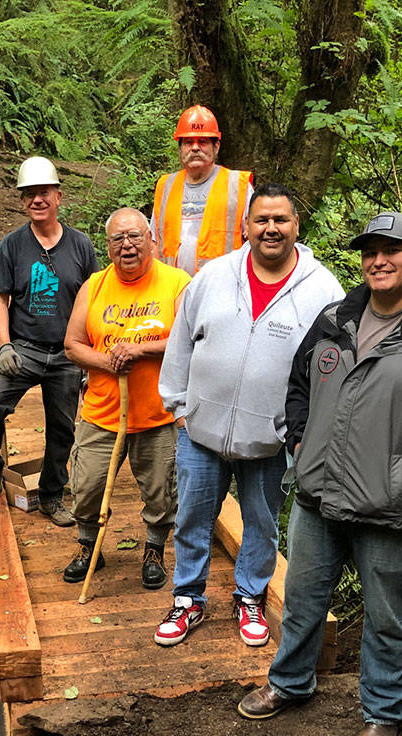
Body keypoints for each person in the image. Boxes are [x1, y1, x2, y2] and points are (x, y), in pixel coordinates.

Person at [237, 213, 402, 736]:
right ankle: (290, 683)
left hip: (391, 510)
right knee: (301, 600)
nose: (379, 260)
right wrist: (298, 440)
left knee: (387, 614)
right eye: (370, 250)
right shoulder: (336, 319)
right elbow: (298, 385)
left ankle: (383, 713)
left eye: (393, 249)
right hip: (318, 496)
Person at [155, 183, 343, 647]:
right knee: (192, 517)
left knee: (261, 521)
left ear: (297, 226)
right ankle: (188, 599)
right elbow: (181, 340)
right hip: (200, 431)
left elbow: (331, 367)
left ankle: (250, 598)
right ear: (246, 227)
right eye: (262, 220)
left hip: (271, 438)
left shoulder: (323, 289)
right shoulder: (214, 276)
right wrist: (178, 407)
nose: (271, 229)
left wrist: (300, 433)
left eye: (281, 220)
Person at [61, 208, 191, 586]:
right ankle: (88, 544)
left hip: (157, 414)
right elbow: (71, 344)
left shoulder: (176, 282)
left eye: (134, 236)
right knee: (85, 486)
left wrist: (139, 351)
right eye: (118, 239)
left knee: (160, 491)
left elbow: (186, 341)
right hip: (102, 413)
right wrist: (108, 360)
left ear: (151, 239)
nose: (127, 245)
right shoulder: (95, 285)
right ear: (108, 246)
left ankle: (154, 547)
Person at [0, 156, 100, 525]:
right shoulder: (12, 245)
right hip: (23, 348)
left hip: (66, 354)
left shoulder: (80, 245)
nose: (36, 200)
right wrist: (4, 345)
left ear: (59, 196)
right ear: (22, 201)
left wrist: (89, 357)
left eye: (43, 193)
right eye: (29, 195)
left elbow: (93, 298)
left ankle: (53, 495)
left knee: (62, 428)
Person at [151, 105, 253, 277]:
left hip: (223, 288)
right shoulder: (165, 185)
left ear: (216, 146)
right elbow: (154, 242)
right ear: (181, 148)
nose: (195, 148)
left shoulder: (238, 185)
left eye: (203, 141)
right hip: (174, 291)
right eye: (189, 142)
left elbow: (256, 241)